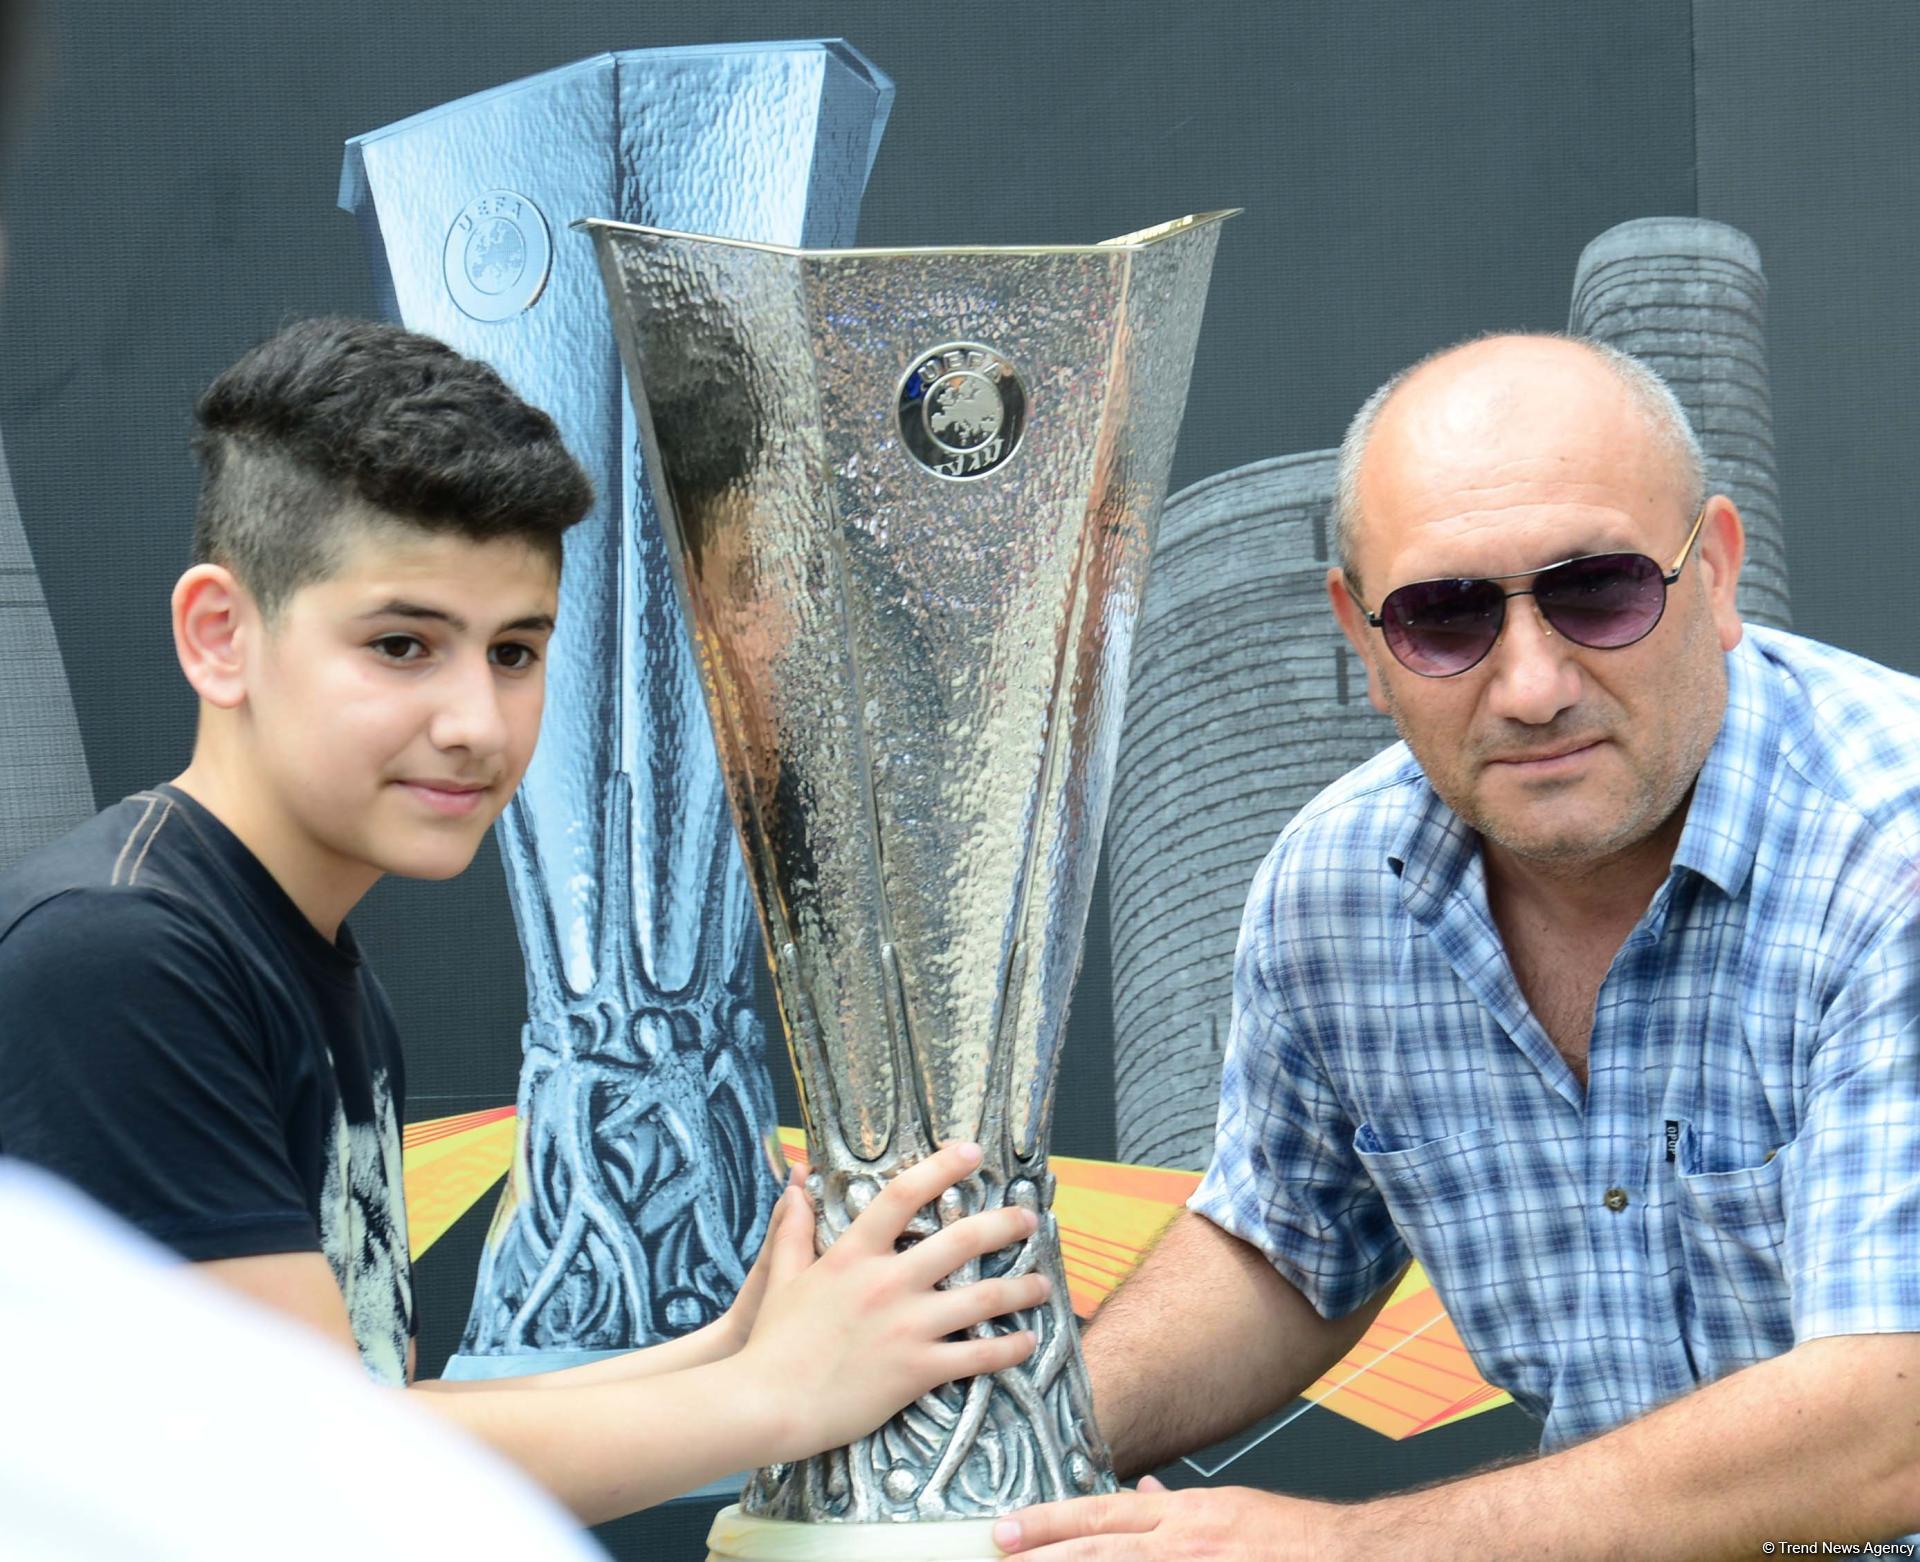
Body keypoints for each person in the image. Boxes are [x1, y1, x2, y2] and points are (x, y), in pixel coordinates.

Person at [0, 316, 1049, 1524]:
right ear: (220, 635)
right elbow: (301, 1471)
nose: (476, 723)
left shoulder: (297, 957)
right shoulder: (119, 959)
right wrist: (776, 1391)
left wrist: (736, 1345)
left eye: (513, 652)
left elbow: (374, 1417)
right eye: (403, 644)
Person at [995, 334, 1920, 1557]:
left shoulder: (1890, 852)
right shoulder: (1337, 887)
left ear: (1717, 571)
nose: (1533, 685)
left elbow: (1891, 1424)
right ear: (1364, 638)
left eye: (1600, 590)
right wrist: (1007, 1473)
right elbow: (1285, 1248)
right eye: (1445, 617)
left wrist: (1339, 1549)